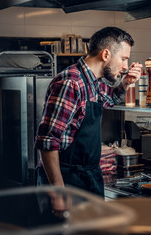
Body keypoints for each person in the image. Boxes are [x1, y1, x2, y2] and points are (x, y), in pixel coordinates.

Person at [35, 27, 142, 198]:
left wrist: (125, 83)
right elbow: (47, 141)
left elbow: (110, 99)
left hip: (88, 176)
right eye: (123, 59)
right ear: (105, 55)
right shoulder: (71, 82)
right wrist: (58, 193)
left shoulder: (94, 82)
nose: (125, 66)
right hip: (67, 179)